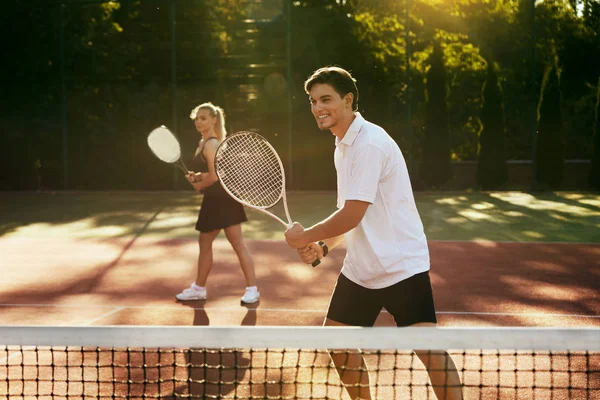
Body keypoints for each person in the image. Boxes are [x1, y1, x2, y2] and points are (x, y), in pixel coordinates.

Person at [284, 66, 463, 400]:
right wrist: (323, 246)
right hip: (362, 269)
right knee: (336, 342)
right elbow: (350, 214)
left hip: (399, 266)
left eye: (326, 99)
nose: (318, 107)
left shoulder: (369, 144)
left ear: (348, 99)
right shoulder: (344, 145)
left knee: (429, 351)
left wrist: (306, 235)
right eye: (312, 101)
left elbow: (352, 215)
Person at [175, 102, 260, 304]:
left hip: (223, 200)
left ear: (213, 120)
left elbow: (215, 177)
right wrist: (198, 176)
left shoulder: (212, 143)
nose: (198, 122)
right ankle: (199, 288)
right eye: (197, 118)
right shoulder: (203, 143)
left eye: (203, 118)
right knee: (206, 243)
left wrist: (200, 184)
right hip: (214, 199)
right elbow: (210, 172)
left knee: (236, 244)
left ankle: (252, 289)